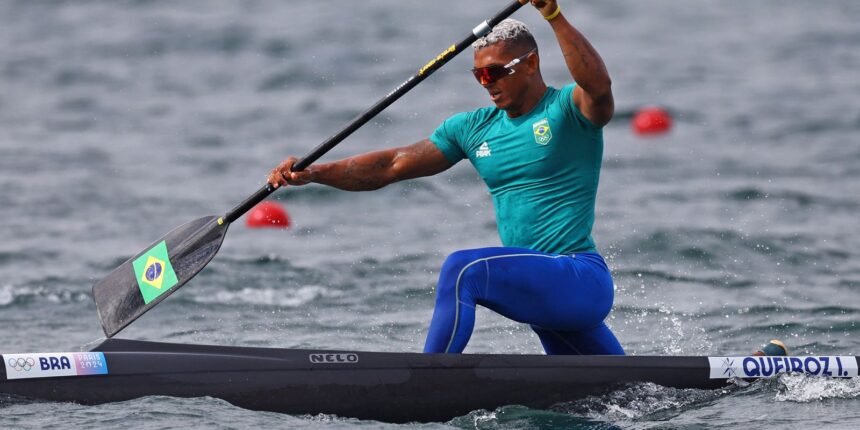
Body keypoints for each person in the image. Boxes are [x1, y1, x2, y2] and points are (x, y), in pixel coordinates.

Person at [268, 0, 624, 355]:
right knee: (622, 393)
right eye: (478, 75)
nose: (486, 83)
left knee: (462, 269)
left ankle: (428, 377)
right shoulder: (473, 128)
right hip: (540, 292)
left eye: (495, 72)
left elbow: (598, 85)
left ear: (530, 64)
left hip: (578, 279)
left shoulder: (568, 110)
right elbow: (391, 165)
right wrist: (314, 172)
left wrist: (553, 16)